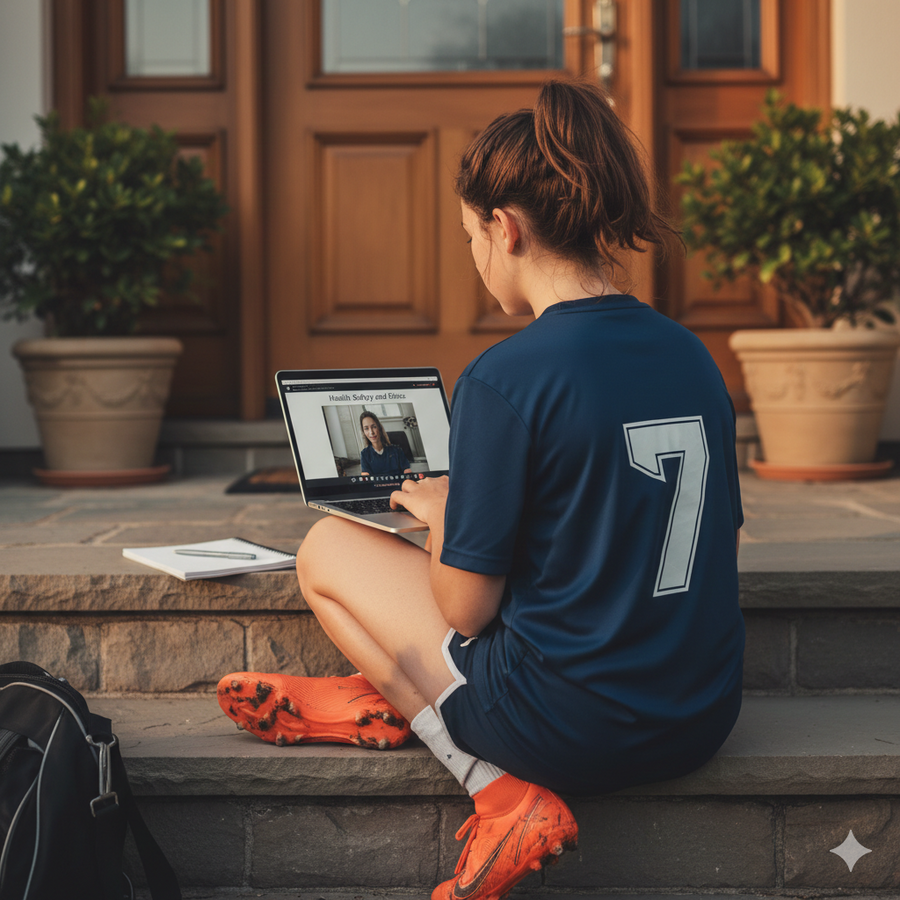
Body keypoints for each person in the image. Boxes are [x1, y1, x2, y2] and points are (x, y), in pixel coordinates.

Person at [218, 78, 744, 900]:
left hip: (570, 733)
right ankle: (385, 694)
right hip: (699, 720)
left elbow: (466, 612)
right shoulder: (694, 356)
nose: (473, 258)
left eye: (471, 236)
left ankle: (496, 791)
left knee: (325, 547)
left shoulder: (506, 378)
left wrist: (447, 519)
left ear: (507, 229)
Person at [358, 410, 412, 476]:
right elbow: (365, 476)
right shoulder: (364, 454)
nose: (371, 432)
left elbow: (407, 471)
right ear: (363, 432)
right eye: (366, 428)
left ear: (379, 428)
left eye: (374, 427)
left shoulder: (397, 451)